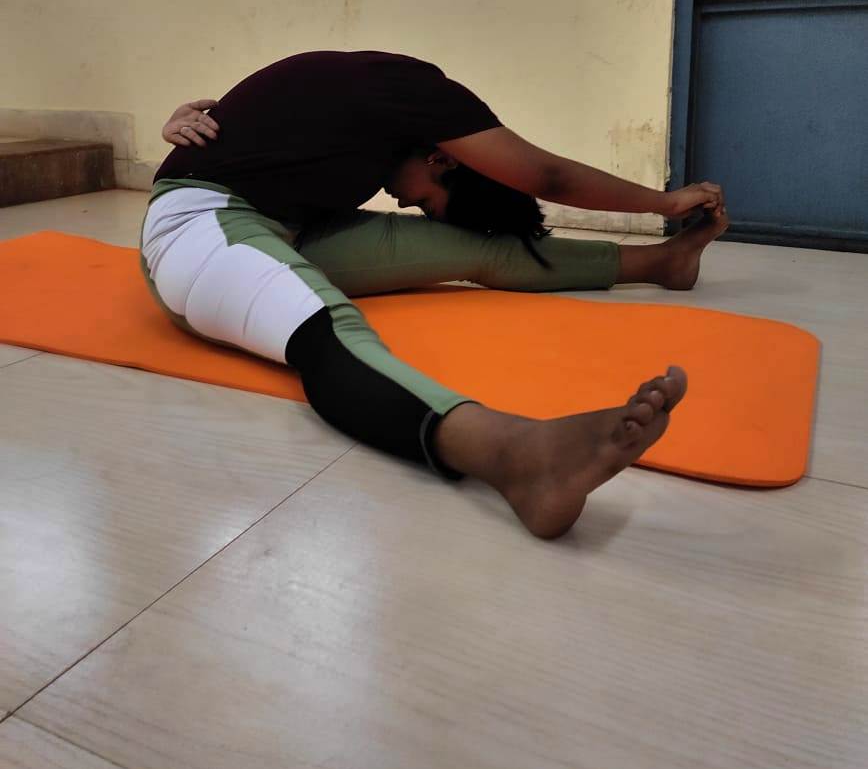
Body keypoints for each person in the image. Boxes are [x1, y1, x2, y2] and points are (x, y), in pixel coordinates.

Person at [142, 50, 726, 539]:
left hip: (295, 229)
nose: (404, 203)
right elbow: (546, 177)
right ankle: (514, 456)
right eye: (424, 201)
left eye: (420, 204)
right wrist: (664, 202)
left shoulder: (402, 105)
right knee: (329, 325)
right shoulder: (406, 94)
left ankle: (660, 262)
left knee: (476, 248)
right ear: (442, 157)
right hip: (197, 225)